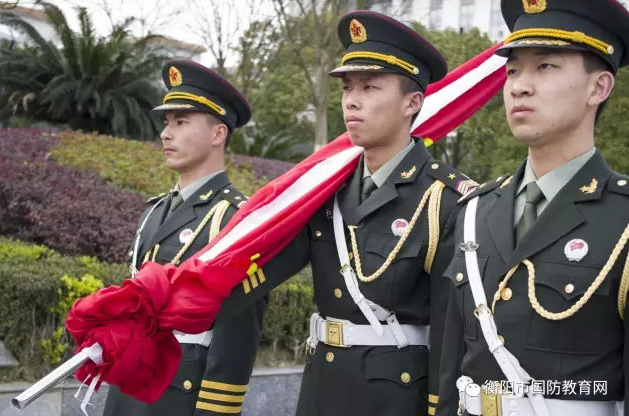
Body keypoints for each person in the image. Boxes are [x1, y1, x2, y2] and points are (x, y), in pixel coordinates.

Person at [214, 10, 477, 416]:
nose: (352, 100)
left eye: (369, 87)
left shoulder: (444, 199)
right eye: (347, 87)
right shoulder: (327, 189)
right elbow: (262, 267)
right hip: (321, 389)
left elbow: (449, 336)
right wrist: (175, 306)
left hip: (394, 400)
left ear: (412, 102)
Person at [437, 1, 629, 415]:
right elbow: (452, 364)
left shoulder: (623, 219)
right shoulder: (475, 211)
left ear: (599, 87)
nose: (519, 87)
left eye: (545, 66)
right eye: (512, 71)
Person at [103, 60, 265, 416]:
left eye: (181, 122)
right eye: (166, 122)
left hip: (180, 393)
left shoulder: (235, 219)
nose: (166, 133)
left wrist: (216, 409)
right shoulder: (155, 210)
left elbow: (238, 331)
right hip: (131, 385)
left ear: (218, 134)